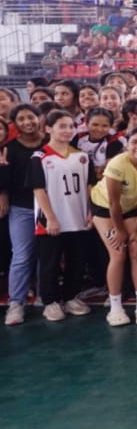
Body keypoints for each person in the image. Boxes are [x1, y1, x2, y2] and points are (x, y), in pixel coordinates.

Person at [30, 110, 94, 321]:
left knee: (77, 261)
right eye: (62, 126)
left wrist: (90, 211)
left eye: (70, 126)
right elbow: (39, 190)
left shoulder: (82, 156)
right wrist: (51, 218)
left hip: (78, 218)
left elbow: (89, 185)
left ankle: (70, 297)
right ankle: (50, 302)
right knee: (50, 262)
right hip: (52, 221)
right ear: (48, 128)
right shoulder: (40, 157)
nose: (67, 130)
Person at [91, 126, 137, 326]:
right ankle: (115, 307)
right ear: (127, 144)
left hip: (133, 209)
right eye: (134, 142)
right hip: (105, 208)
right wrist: (120, 231)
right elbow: (113, 203)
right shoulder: (117, 164)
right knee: (118, 253)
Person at [3, 105, 46, 326]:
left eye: (31, 117)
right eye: (21, 119)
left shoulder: (51, 141)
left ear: (39, 118)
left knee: (46, 254)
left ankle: (44, 296)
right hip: (22, 207)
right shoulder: (10, 148)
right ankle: (16, 303)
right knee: (21, 255)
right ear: (15, 123)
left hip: (50, 207)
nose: (28, 122)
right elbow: (6, 179)